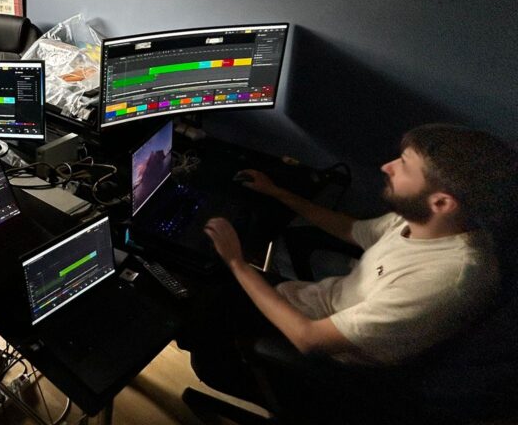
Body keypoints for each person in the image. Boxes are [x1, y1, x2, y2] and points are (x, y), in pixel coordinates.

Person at [203, 124, 517, 367]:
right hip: (313, 301)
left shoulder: (443, 279)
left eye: (404, 164)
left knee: (200, 303)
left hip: (326, 355)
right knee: (210, 283)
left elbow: (308, 339)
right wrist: (277, 192)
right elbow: (350, 229)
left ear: (441, 202)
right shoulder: (428, 221)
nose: (387, 167)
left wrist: (237, 262)